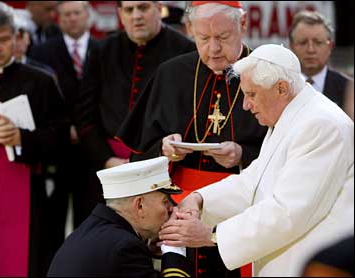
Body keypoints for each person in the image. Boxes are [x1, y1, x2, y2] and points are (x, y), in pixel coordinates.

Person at [158, 44, 354, 277]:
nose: (245, 105)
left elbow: (288, 211)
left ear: (281, 88)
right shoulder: (293, 115)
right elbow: (254, 180)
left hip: (310, 262)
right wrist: (200, 199)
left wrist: (212, 235)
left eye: (251, 94)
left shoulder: (321, 124)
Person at [117, 2, 267, 276]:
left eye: (222, 38)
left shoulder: (265, 74)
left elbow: (286, 150)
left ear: (242, 25)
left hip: (243, 210)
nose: (213, 49)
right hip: (178, 209)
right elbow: (139, 153)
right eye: (203, 39)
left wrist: (242, 154)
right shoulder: (171, 74)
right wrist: (163, 150)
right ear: (190, 30)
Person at [74, 1, 195, 220]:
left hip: (162, 169)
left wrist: (155, 158)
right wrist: (106, 159)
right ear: (120, 14)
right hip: (106, 169)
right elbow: (85, 116)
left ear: (158, 9)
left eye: (143, 8)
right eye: (129, 10)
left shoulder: (184, 50)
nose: (136, 16)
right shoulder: (102, 51)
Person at [0, 2, 69, 277]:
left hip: (27, 188)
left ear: (16, 37)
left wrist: (22, 137)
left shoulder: (41, 81)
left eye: (3, 39)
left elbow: (60, 139)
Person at [29, 0, 100, 258]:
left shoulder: (102, 49)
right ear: (58, 19)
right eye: (66, 14)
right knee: (51, 221)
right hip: (56, 153)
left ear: (87, 16)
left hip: (92, 152)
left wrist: (84, 129)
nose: (72, 18)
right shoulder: (42, 53)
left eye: (77, 13)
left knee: (89, 218)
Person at [47, 156, 193, 277]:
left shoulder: (92, 231)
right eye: (165, 201)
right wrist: (174, 248)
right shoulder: (125, 248)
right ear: (139, 205)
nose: (171, 208)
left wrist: (148, 250)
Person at [289, 10, 354, 117]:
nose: (310, 49)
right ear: (291, 46)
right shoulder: (280, 87)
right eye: (303, 42)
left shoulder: (349, 89)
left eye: (318, 42)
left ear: (330, 47)